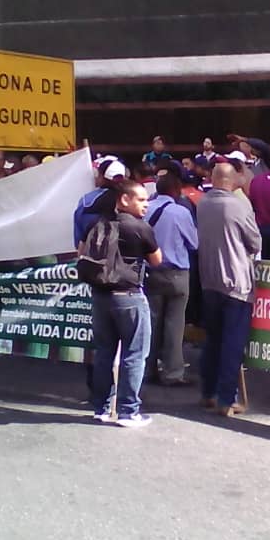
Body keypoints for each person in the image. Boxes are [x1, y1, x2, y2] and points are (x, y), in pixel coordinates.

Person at [86, 179, 162, 428]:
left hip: (100, 296)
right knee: (135, 353)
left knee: (104, 352)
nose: (146, 204)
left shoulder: (98, 223)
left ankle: (101, 407)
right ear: (124, 199)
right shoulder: (140, 227)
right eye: (141, 199)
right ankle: (129, 411)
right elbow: (157, 259)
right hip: (129, 296)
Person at [197, 162, 262, 415]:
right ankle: (227, 398)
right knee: (232, 344)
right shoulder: (237, 206)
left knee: (212, 340)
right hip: (236, 282)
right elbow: (255, 242)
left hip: (210, 280)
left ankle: (208, 392)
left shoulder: (203, 203)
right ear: (231, 180)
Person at [144, 173, 198, 386]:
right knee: (175, 324)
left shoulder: (145, 209)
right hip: (176, 273)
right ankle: (172, 372)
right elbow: (194, 243)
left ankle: (147, 369)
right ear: (176, 190)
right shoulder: (180, 212)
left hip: (151, 272)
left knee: (152, 322)